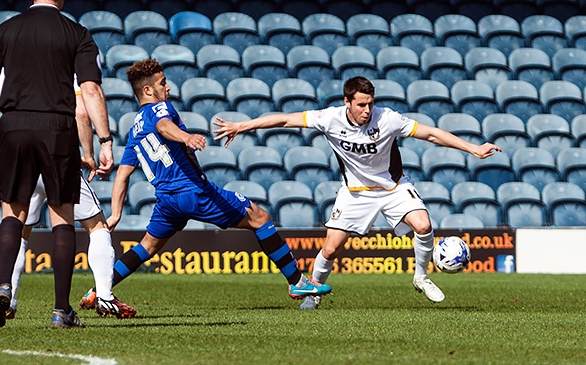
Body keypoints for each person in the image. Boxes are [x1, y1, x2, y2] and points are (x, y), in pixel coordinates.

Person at [213, 76, 502, 310]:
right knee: (330, 249)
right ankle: (313, 295)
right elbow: (285, 120)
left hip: (393, 187)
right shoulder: (329, 118)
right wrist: (242, 125)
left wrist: (473, 148)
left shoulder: (387, 118)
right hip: (355, 193)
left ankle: (421, 277)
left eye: (370, 104)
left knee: (424, 225)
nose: (367, 110)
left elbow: (431, 133)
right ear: (347, 102)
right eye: (361, 104)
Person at [80, 58, 331, 308]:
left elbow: (122, 175)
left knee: (146, 246)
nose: (168, 88)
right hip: (194, 192)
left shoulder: (134, 129)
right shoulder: (159, 109)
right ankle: (297, 281)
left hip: (167, 202)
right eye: (162, 83)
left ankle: (98, 290)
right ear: (148, 90)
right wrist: (186, 136)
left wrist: (116, 214)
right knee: (260, 218)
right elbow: (164, 126)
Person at [0, 0, 113, 329]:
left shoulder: (3, 31)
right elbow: (92, 91)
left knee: (13, 213)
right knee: (62, 215)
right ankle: (61, 309)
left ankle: (4, 287)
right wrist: (105, 140)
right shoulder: (78, 34)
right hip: (58, 128)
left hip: (14, 126)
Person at [0, 71, 136, 320]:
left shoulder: (7, 69)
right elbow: (81, 111)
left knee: (19, 228)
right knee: (96, 225)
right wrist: (88, 152)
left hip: (21, 152)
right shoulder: (60, 63)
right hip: (55, 151)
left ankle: (9, 297)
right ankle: (103, 296)